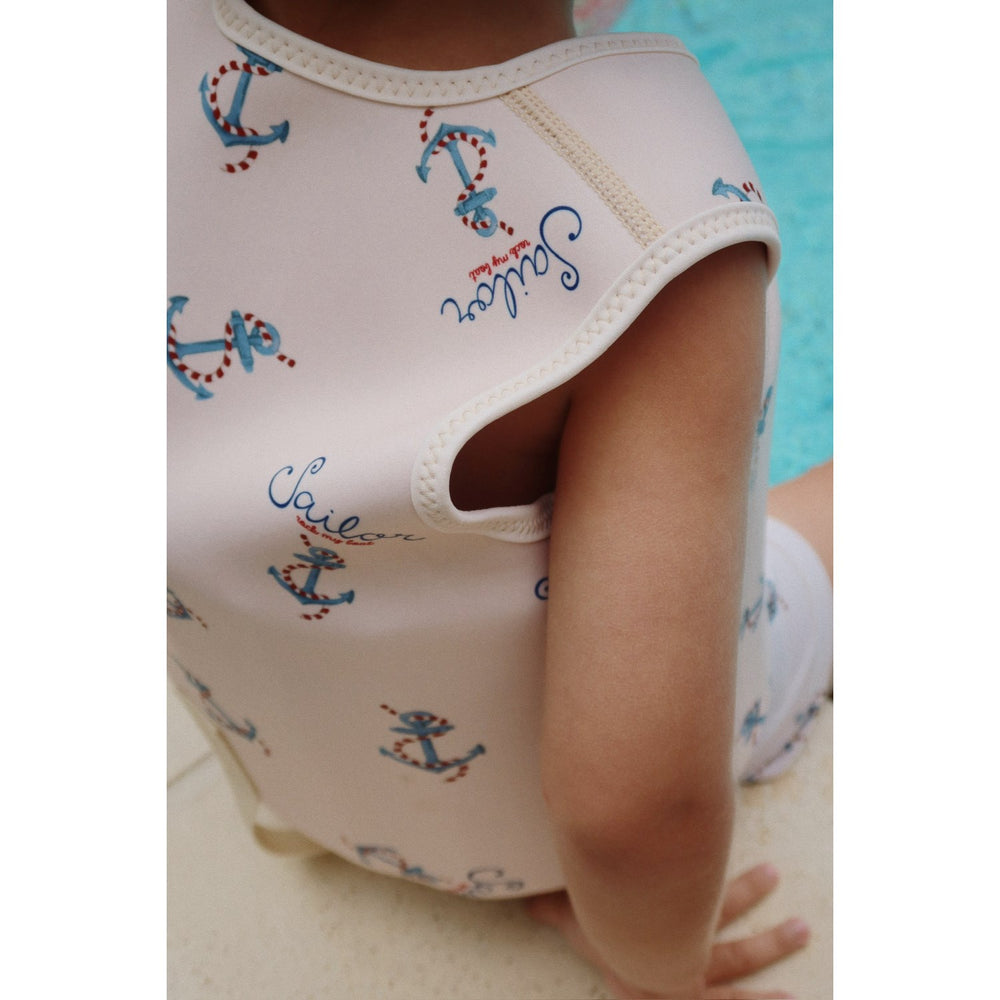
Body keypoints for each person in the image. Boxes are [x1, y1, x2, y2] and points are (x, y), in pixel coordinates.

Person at [167, 0, 833, 996]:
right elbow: (634, 814)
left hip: (309, 777)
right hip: (531, 845)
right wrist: (654, 963)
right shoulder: (646, 225)